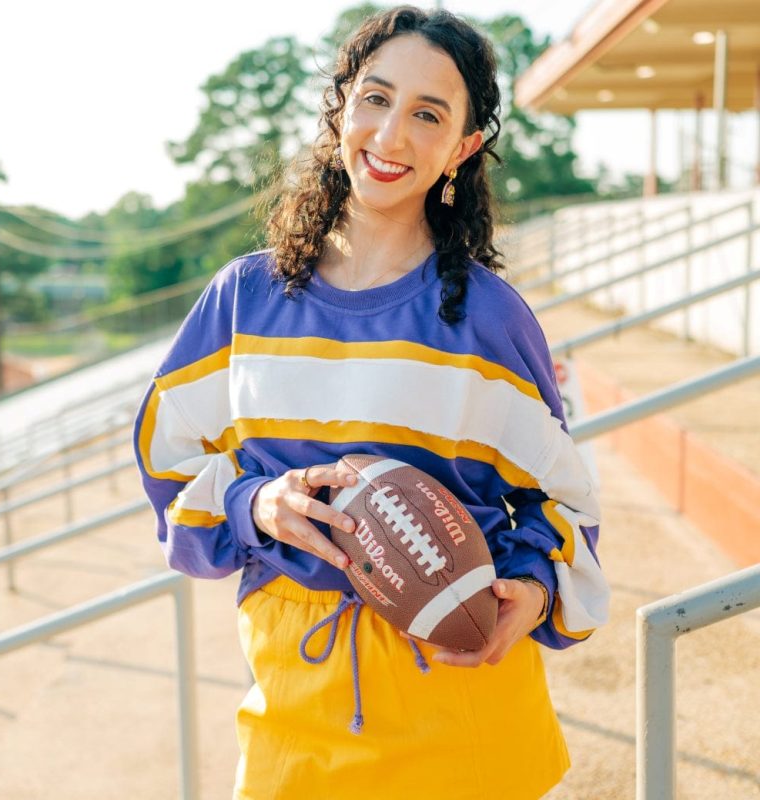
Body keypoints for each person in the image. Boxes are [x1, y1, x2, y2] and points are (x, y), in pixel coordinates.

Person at [133, 6, 610, 798]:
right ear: (340, 110)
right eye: (376, 99)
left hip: (466, 717)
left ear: (461, 149)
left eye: (428, 114)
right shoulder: (244, 302)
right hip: (297, 716)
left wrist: (530, 585)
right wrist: (254, 503)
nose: (391, 137)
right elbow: (168, 469)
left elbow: (564, 501)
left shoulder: (488, 319)